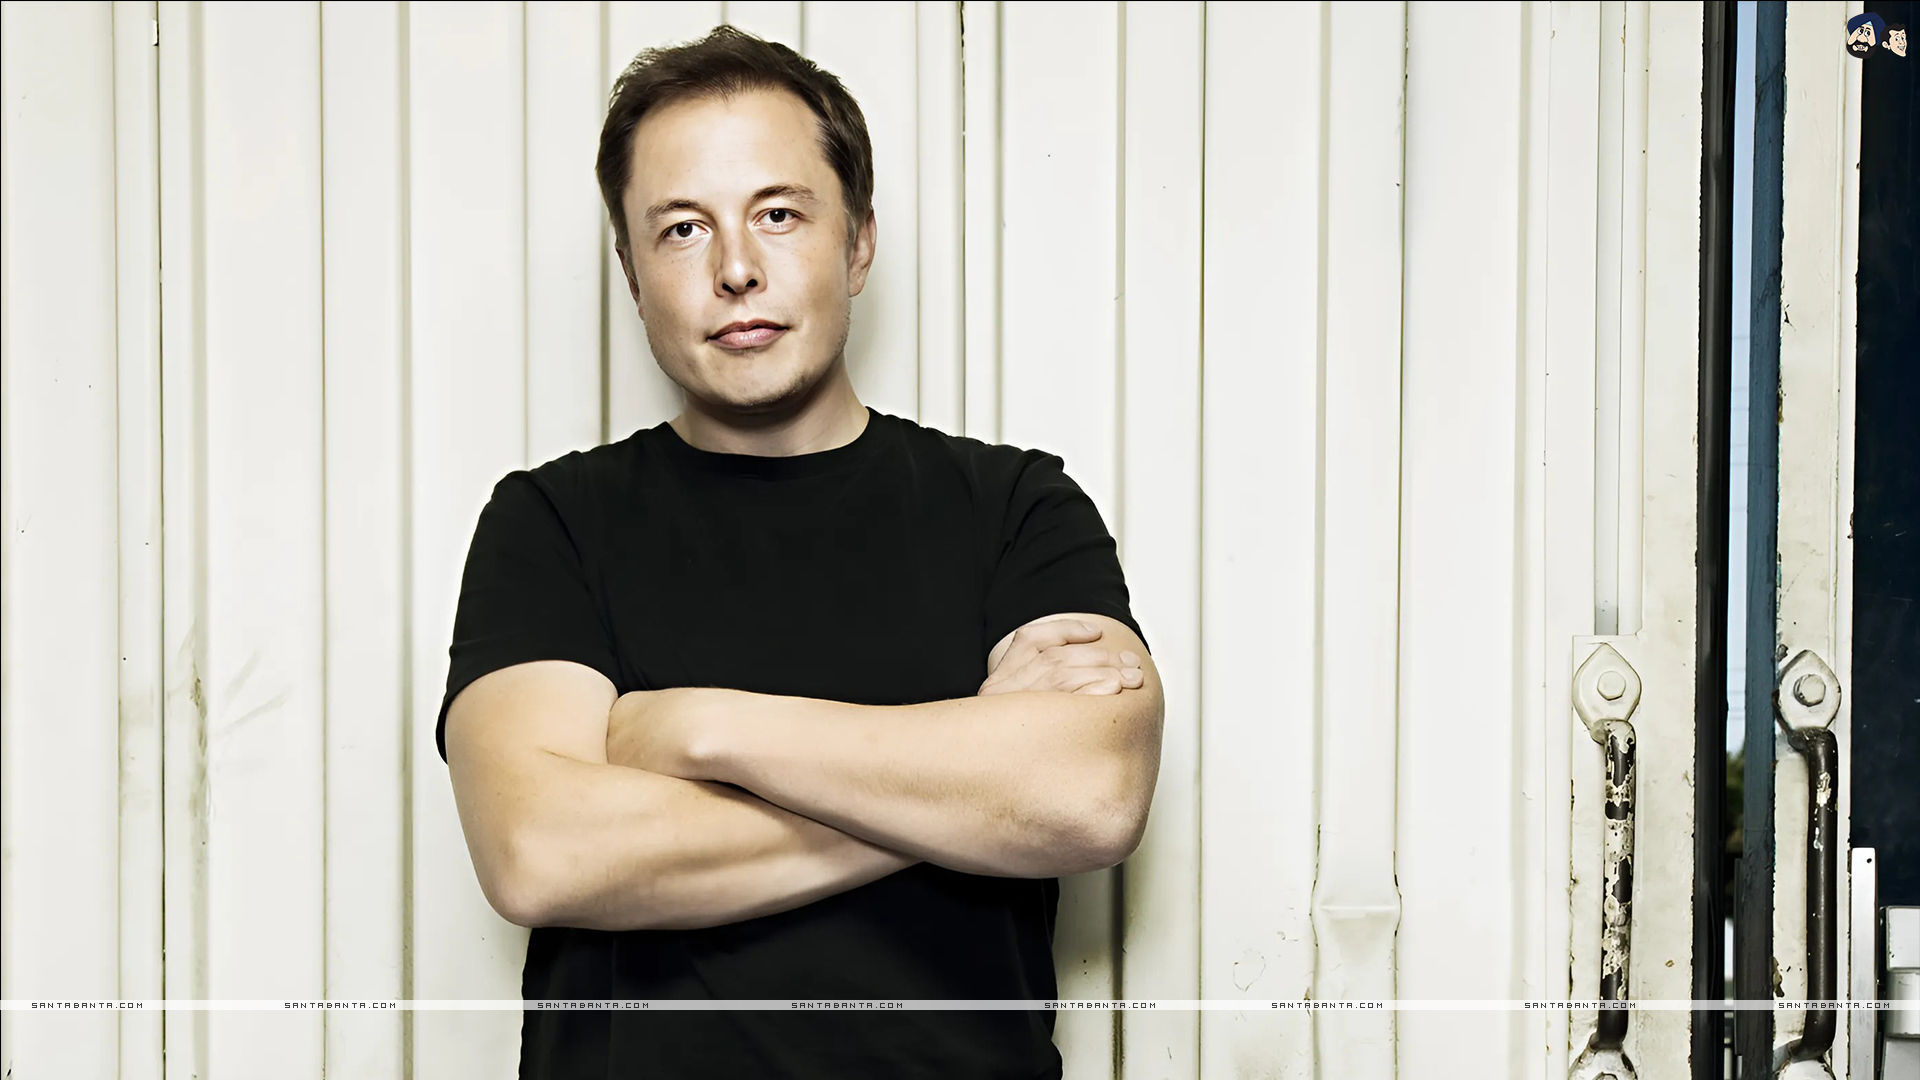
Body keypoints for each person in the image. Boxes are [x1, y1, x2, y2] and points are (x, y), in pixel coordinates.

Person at [435, 24, 1163, 1080]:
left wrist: (695, 727)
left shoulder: (1015, 507)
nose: (736, 268)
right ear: (632, 274)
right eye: (682, 229)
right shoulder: (550, 522)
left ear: (858, 242)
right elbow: (538, 853)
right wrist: (964, 791)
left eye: (778, 214)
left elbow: (1089, 795)